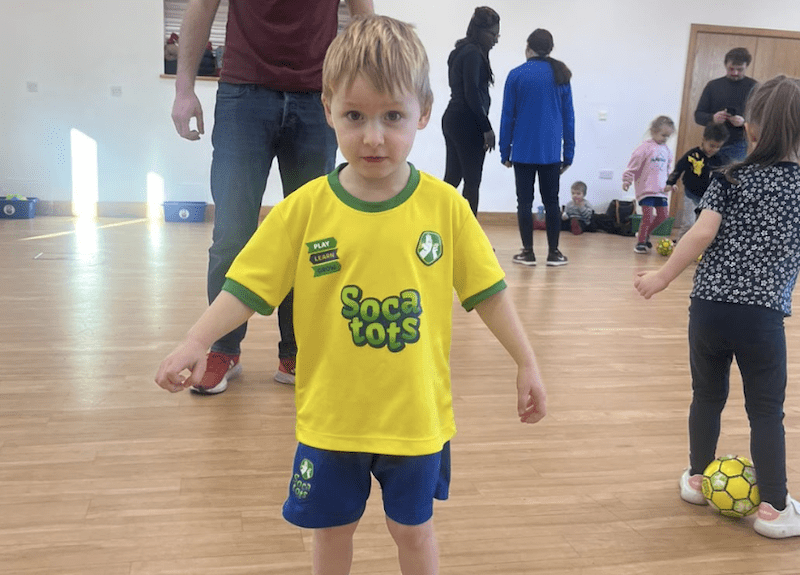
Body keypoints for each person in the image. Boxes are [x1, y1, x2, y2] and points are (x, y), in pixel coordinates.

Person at [155, 15, 548, 573]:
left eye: (393, 116)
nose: (373, 136)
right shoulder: (305, 209)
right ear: (328, 110)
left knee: (412, 533)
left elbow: (489, 294)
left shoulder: (445, 209)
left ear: (424, 112)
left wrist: (526, 361)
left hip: (416, 420)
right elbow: (246, 286)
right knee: (331, 535)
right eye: (355, 116)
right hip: (331, 419)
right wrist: (198, 339)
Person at [170, 0, 374, 394]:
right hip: (243, 96)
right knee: (232, 234)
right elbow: (199, 9)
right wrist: (184, 90)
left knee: (313, 237)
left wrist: (369, 98)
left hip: (318, 99)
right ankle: (223, 349)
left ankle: (296, 351)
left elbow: (366, 19)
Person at [635, 75, 800, 539]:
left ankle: (696, 477)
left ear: (751, 130)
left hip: (707, 309)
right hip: (762, 318)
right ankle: (773, 506)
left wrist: (662, 277)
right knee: (766, 410)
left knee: (707, 396)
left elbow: (701, 233)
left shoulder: (729, 176)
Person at [500, 28, 574, 267]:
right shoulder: (560, 74)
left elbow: (507, 116)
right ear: (550, 49)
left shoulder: (516, 75)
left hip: (522, 151)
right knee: (552, 202)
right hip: (551, 152)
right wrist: (569, 153)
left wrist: (504, 150)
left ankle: (528, 252)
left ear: (528, 48)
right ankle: (554, 253)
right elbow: (568, 117)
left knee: (524, 202)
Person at [441, 6, 501, 216]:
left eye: (497, 34)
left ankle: (438, 226)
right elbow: (472, 94)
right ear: (480, 32)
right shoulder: (474, 54)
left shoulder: (460, 50)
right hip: (468, 122)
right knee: (472, 182)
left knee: (452, 179)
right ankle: (470, 240)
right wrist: (487, 128)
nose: (495, 40)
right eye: (493, 34)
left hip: (453, 119)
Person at [694, 47, 758, 165]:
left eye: (740, 69)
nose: (735, 73)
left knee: (732, 180)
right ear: (725, 65)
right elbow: (698, 115)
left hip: (738, 144)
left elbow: (760, 118)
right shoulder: (713, 86)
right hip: (711, 143)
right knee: (705, 180)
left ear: (746, 66)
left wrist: (744, 122)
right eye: (731, 69)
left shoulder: (754, 87)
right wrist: (713, 118)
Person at [622, 116, 675, 254]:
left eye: (667, 136)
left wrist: (671, 183)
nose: (665, 138)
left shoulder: (667, 151)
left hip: (661, 190)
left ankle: (644, 235)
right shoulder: (644, 148)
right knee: (647, 216)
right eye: (663, 135)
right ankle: (640, 242)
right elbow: (632, 165)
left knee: (663, 215)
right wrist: (627, 180)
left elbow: (668, 169)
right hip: (646, 189)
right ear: (653, 131)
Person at [666, 123, 728, 240]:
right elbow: (679, 168)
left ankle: (696, 251)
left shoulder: (720, 159)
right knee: (688, 223)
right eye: (711, 145)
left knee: (702, 226)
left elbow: (724, 175)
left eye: (718, 147)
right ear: (703, 140)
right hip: (691, 194)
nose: (713, 149)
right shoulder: (692, 155)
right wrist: (670, 182)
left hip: (707, 198)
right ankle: (680, 246)